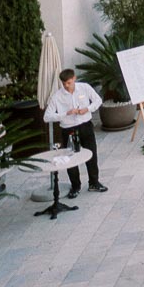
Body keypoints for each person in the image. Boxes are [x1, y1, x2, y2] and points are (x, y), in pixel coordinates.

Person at [43, 68, 108, 197]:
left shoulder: (85, 87)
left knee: (91, 154)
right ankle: (75, 186)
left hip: (86, 125)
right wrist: (64, 114)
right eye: (64, 84)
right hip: (68, 129)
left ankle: (94, 183)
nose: (67, 86)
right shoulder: (57, 96)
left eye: (69, 83)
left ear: (74, 79)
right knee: (70, 158)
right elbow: (47, 117)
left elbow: (98, 100)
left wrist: (88, 109)